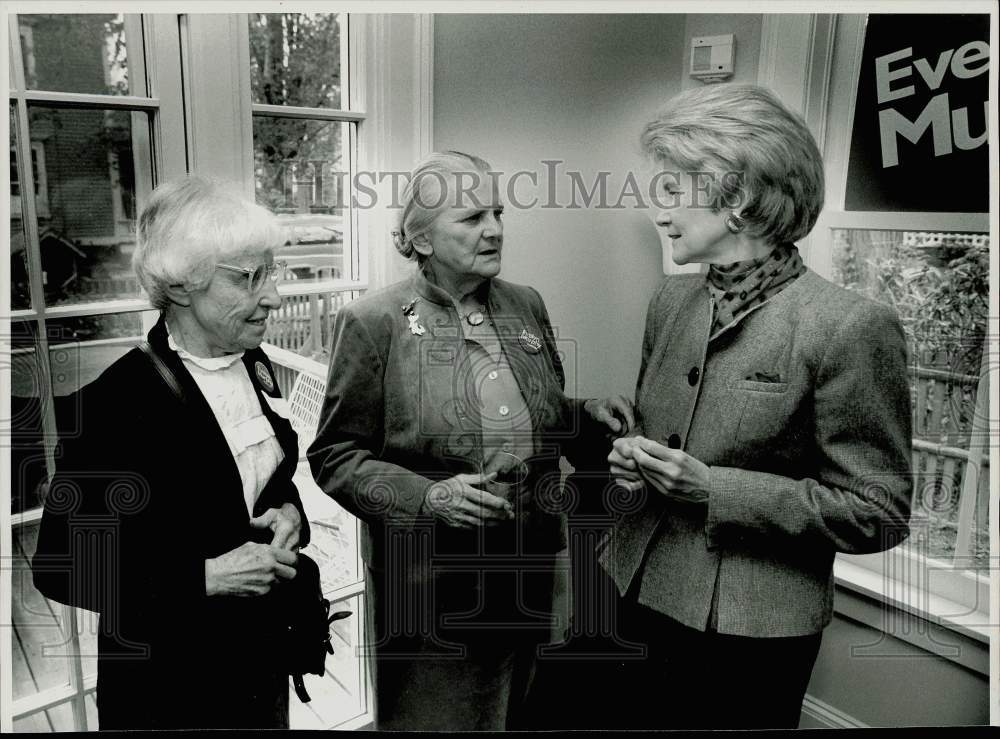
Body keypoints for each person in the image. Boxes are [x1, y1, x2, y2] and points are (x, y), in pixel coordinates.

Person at [604, 84, 913, 730]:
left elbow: (877, 513)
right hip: (631, 593)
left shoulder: (850, 327)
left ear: (737, 197)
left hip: (749, 634)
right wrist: (635, 456)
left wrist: (713, 489)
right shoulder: (670, 301)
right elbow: (659, 420)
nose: (659, 212)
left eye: (674, 190)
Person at [307, 150, 632, 731]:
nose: (496, 230)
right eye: (473, 217)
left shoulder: (524, 303)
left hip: (529, 570)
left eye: (499, 213)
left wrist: (586, 415)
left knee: (522, 714)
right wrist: (429, 498)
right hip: (430, 587)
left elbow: (534, 418)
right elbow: (335, 456)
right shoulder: (373, 322)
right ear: (423, 239)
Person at [32, 176, 308, 730]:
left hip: (255, 672)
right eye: (249, 277)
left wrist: (290, 512)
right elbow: (61, 567)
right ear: (183, 286)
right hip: (169, 693)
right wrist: (203, 577)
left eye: (270, 271)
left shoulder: (250, 364)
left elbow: (256, 480)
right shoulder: (119, 402)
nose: (274, 295)